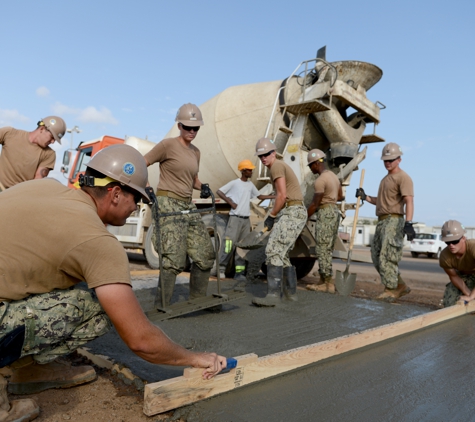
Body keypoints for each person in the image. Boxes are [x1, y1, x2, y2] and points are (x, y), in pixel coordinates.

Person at [0, 144, 226, 421]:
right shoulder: (98, 242)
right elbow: (141, 340)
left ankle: (27, 368)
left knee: (72, 283)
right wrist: (193, 358)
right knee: (97, 306)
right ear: (116, 194)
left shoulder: (42, 187)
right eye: (137, 199)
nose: (138, 207)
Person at [143, 103, 216, 307]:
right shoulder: (167, 145)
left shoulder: (196, 152)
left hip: (187, 205)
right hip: (167, 203)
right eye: (188, 127)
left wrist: (203, 187)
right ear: (179, 126)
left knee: (205, 254)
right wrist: (147, 187)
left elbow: (193, 179)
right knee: (173, 258)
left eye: (196, 128)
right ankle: (162, 305)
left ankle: (198, 299)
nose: (192, 131)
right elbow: (142, 162)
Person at [355, 142, 415, 302]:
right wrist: (365, 197)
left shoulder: (403, 177)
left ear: (399, 159)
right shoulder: (385, 179)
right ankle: (400, 285)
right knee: (376, 256)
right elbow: (381, 202)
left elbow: (409, 201)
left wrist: (408, 223)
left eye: (391, 160)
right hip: (381, 221)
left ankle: (390, 289)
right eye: (385, 160)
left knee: (387, 256)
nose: (388, 163)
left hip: (394, 221)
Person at [251, 138, 307, 307]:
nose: (263, 158)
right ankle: (291, 295)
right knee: (281, 252)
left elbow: (282, 196)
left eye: (266, 154)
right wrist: (269, 198)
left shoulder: (276, 166)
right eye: (261, 156)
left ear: (273, 153)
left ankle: (273, 296)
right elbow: (282, 193)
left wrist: (272, 215)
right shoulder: (278, 167)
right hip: (293, 211)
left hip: (292, 211)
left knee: (273, 249)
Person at [214, 159, 273, 282]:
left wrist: (275, 196)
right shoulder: (235, 183)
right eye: (249, 170)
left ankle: (239, 273)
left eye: (251, 170)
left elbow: (259, 196)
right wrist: (230, 202)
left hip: (246, 221)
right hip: (235, 219)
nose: (251, 172)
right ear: (243, 171)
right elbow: (219, 191)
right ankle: (221, 269)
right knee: (228, 245)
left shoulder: (250, 185)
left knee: (243, 247)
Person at [305, 149, 344, 294]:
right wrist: (331, 197)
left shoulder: (320, 180)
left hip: (326, 212)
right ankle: (324, 280)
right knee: (328, 248)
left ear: (316, 163)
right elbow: (341, 196)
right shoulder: (333, 176)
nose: (310, 168)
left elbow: (315, 204)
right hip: (334, 211)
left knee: (322, 248)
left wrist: (304, 218)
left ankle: (327, 282)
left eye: (310, 165)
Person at [0, 116, 66, 190]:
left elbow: (37, 181)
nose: (53, 142)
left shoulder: (49, 154)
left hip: (18, 195)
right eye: (52, 137)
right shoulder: (10, 133)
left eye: (55, 140)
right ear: (42, 129)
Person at [437, 220, 475, 306]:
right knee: (449, 302)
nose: (451, 245)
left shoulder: (473, 247)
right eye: (448, 242)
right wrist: (468, 294)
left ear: (463, 238)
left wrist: (472, 296)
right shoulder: (444, 256)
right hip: (464, 276)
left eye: (455, 241)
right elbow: (453, 276)